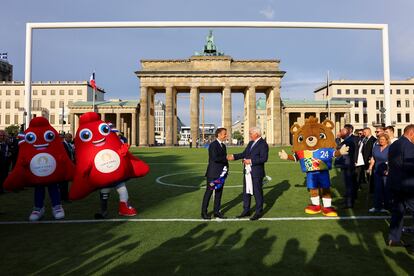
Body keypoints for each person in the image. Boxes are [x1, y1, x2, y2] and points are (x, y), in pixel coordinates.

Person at [227, 127, 269, 220]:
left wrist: (250, 161)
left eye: (251, 133)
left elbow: (264, 158)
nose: (249, 135)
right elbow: (244, 153)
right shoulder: (250, 143)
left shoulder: (263, 144)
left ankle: (258, 212)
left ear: (256, 134)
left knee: (257, 192)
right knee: (246, 191)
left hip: (257, 173)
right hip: (247, 172)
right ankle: (246, 210)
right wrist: (234, 156)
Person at [387, 124, 414, 252]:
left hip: (395, 183)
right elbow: (409, 166)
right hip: (407, 185)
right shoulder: (408, 146)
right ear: (411, 133)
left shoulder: (394, 144)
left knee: (397, 212)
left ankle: (394, 239)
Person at [201, 128, 228, 219]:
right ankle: (204, 212)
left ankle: (217, 211)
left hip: (221, 174)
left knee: (219, 193)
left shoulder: (223, 146)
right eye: (224, 134)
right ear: (219, 135)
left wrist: (226, 169)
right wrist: (227, 158)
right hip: (213, 174)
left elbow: (224, 160)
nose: (226, 135)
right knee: (209, 192)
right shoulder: (213, 145)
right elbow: (215, 158)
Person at [367, 133, 391, 213]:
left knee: (386, 189)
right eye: (380, 139)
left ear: (387, 140)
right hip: (377, 170)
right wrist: (370, 167)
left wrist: (389, 170)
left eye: (383, 139)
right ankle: (377, 206)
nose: (381, 141)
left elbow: (392, 160)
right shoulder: (376, 148)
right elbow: (373, 158)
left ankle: (387, 207)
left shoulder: (390, 148)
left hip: (386, 172)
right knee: (377, 189)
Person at [336, 124, 358, 208]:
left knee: (349, 185)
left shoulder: (349, 141)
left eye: (342, 131)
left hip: (348, 165)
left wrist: (338, 139)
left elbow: (339, 148)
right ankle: (347, 201)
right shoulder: (347, 140)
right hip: (347, 165)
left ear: (348, 131)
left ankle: (349, 203)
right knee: (348, 184)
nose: (340, 132)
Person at [59, 133, 75, 202]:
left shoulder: (68, 145)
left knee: (65, 182)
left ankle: (64, 196)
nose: (71, 139)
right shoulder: (63, 144)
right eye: (69, 137)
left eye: (71, 137)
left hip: (68, 165)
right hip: (64, 166)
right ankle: (64, 197)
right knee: (63, 183)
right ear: (66, 137)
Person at [362, 127, 377, 193]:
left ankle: (372, 189)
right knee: (367, 175)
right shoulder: (364, 139)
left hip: (370, 160)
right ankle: (370, 188)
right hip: (364, 160)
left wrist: (370, 158)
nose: (364, 133)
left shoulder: (373, 140)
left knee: (371, 175)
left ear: (369, 131)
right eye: (363, 132)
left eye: (365, 132)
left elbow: (373, 150)